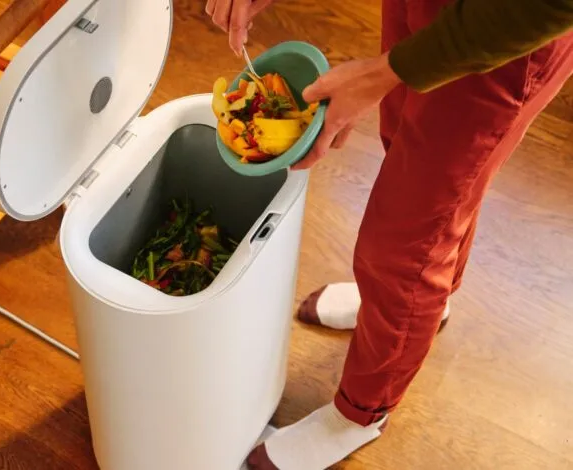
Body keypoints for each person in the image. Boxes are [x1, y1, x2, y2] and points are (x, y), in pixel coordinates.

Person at [205, 0, 573, 468]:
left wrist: (384, 73)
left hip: (506, 24)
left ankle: (360, 413)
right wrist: (393, 72)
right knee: (409, 143)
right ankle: (422, 305)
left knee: (406, 246)